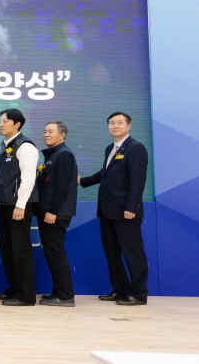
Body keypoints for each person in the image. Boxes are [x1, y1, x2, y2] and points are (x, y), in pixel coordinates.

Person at [79, 112, 149, 306]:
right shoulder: (111, 148)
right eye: (111, 123)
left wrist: (131, 207)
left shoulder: (135, 148)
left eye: (119, 123)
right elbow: (106, 173)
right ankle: (121, 289)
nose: (115, 126)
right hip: (107, 209)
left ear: (129, 126)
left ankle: (139, 294)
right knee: (112, 252)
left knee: (133, 253)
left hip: (126, 211)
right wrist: (83, 181)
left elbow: (137, 181)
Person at [0, 108, 38, 306]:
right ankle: (15, 287)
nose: (1, 124)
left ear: (17, 124)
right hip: (4, 202)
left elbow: (28, 177)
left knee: (20, 249)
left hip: (17, 206)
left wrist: (20, 205)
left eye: (5, 121)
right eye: (0, 121)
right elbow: (6, 174)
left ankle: (25, 295)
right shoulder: (6, 145)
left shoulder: (25, 146)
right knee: (7, 249)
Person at [34, 120, 78, 307]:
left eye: (51, 131)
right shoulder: (54, 154)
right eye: (45, 131)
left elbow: (62, 187)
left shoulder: (63, 155)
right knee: (52, 254)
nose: (46, 134)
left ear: (62, 135)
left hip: (55, 214)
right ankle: (58, 292)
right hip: (49, 212)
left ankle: (65, 296)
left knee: (56, 253)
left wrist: (52, 211)